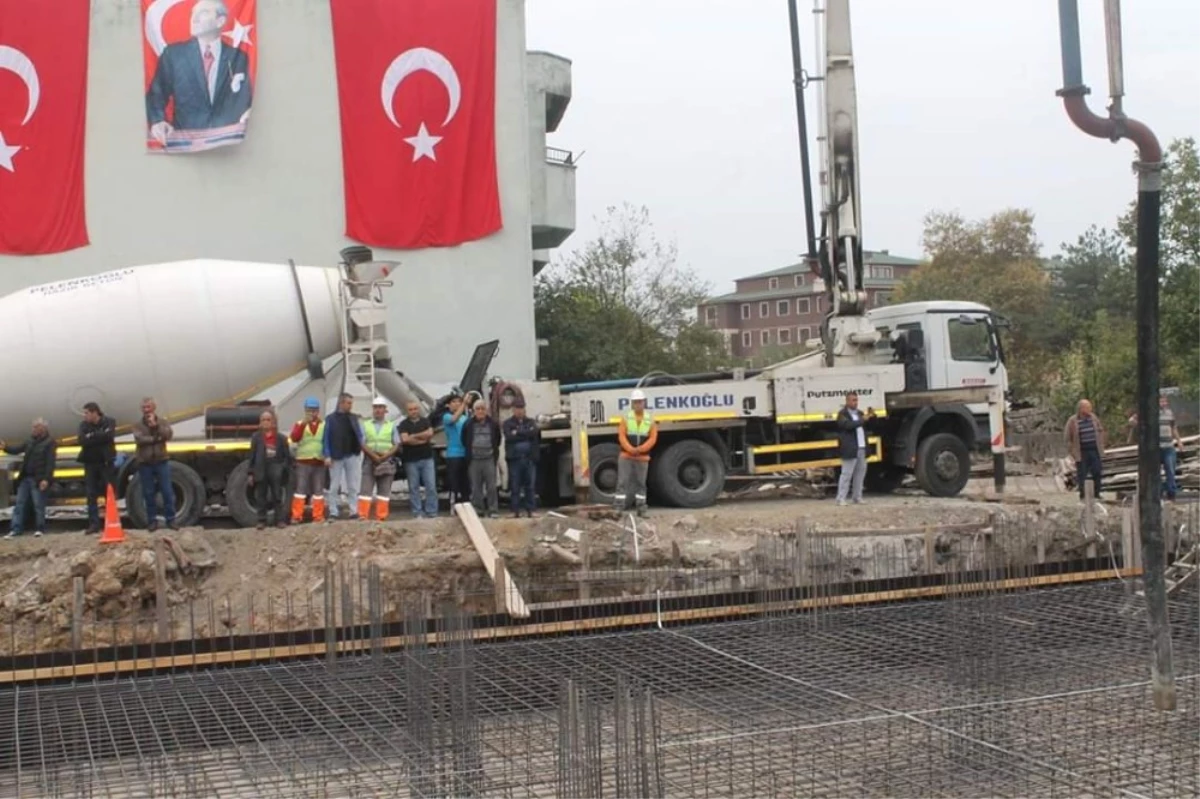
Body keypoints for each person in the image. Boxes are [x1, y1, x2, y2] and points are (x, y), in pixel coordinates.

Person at [145, 0, 253, 146]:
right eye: (192, 14)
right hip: (185, 144)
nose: (194, 19)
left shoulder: (238, 57)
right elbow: (156, 95)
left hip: (227, 145)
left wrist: (248, 113)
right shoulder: (174, 55)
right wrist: (157, 121)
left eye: (203, 13)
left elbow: (244, 97)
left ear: (220, 21)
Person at [2, 418, 56, 539]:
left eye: (36, 427)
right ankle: (15, 529)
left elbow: (50, 463)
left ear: (43, 428)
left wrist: (46, 479)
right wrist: (6, 447)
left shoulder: (50, 442)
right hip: (25, 477)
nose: (33, 429)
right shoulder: (30, 441)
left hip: (38, 478)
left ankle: (39, 528)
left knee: (38, 504)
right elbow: (17, 450)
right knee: (19, 504)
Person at [1128, 395, 1184, 501]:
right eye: (1161, 401)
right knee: (1155, 472)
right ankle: (1157, 493)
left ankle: (1171, 494)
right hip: (1155, 448)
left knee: (1170, 471)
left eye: (1165, 401)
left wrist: (1179, 441)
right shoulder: (1150, 413)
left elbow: (1174, 428)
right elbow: (1132, 421)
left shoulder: (1169, 413)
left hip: (1168, 447)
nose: (1163, 403)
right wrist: (1137, 420)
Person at [132, 397, 177, 531]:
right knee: (148, 492)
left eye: (148, 407)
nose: (146, 410)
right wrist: (156, 438)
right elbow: (139, 439)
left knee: (167, 491)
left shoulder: (162, 422)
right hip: (145, 463)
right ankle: (152, 521)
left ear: (154, 408)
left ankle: (171, 520)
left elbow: (168, 435)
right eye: (144, 407)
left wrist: (156, 426)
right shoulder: (137, 425)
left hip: (161, 460)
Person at [616, 389, 658, 517]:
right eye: (635, 402)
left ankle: (641, 509)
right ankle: (618, 508)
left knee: (641, 484)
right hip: (626, 456)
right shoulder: (626, 418)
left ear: (644, 402)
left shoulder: (649, 419)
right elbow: (621, 436)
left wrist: (641, 449)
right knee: (622, 482)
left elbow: (653, 437)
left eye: (640, 402)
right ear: (632, 404)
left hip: (642, 457)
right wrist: (630, 449)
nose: (638, 404)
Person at [247, 409, 292, 529]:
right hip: (261, 469)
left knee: (277, 496)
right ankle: (261, 521)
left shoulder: (281, 438)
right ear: (260, 423)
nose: (266, 422)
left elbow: (287, 457)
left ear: (273, 422)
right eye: (263, 420)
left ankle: (280, 521)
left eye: (268, 420)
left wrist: (282, 468)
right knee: (261, 496)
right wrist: (250, 473)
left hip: (275, 468)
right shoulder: (256, 438)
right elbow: (252, 456)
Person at [322, 393, 364, 521]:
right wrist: (327, 455)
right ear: (341, 403)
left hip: (352, 454)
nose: (351, 406)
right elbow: (326, 438)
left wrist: (359, 448)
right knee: (334, 485)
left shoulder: (353, 418)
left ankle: (353, 511)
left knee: (353, 485)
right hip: (336, 456)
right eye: (349, 403)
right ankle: (333, 511)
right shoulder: (330, 419)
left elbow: (359, 434)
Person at [77, 402, 116, 534]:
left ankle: (110, 521)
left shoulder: (109, 421)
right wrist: (98, 435)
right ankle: (94, 524)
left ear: (95, 413)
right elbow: (82, 440)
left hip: (105, 462)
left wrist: (92, 435)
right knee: (91, 494)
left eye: (86, 413)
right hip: (90, 463)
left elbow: (109, 436)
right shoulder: (83, 425)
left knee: (108, 492)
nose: (84, 416)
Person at [360, 397, 400, 521]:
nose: (378, 410)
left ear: (385, 410)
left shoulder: (391, 426)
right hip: (369, 460)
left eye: (380, 408)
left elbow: (397, 444)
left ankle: (381, 516)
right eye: (376, 408)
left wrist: (385, 456)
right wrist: (374, 456)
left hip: (386, 460)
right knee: (366, 490)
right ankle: (363, 515)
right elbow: (362, 443)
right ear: (373, 409)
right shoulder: (366, 425)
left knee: (384, 491)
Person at [289, 397, 327, 523]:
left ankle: (318, 516)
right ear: (305, 410)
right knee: (301, 490)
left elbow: (327, 442)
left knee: (318, 491)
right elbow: (294, 438)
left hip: (319, 461)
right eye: (310, 410)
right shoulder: (299, 424)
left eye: (314, 410)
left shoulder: (324, 425)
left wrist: (327, 456)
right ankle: (296, 515)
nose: (312, 413)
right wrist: (304, 424)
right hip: (303, 461)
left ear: (318, 411)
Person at [462, 399, 502, 518]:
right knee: (476, 487)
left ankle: (493, 510)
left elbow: (497, 439)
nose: (480, 411)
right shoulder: (468, 424)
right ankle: (478, 510)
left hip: (489, 459)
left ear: (486, 410)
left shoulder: (493, 424)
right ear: (474, 411)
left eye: (482, 409)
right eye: (477, 409)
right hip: (474, 460)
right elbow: (464, 440)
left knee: (491, 487)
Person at [399, 400, 438, 518]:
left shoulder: (425, 421)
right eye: (411, 409)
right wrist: (422, 439)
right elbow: (405, 440)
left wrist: (414, 436)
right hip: (410, 460)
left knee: (431, 486)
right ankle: (417, 512)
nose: (414, 411)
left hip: (427, 458)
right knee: (413, 487)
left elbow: (430, 433)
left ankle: (432, 511)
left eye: (415, 409)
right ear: (407, 411)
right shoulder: (403, 424)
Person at [835, 392, 874, 506]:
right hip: (850, 449)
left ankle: (857, 497)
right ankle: (841, 498)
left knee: (860, 474)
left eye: (856, 400)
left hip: (861, 447)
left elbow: (868, 426)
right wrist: (863, 420)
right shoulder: (842, 415)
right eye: (853, 400)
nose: (855, 402)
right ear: (847, 402)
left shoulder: (860, 414)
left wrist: (872, 417)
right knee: (846, 474)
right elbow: (848, 426)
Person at [503, 399, 540, 517]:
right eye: (517, 409)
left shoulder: (531, 422)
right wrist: (525, 433)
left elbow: (534, 433)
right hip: (515, 459)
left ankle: (531, 510)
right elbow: (509, 437)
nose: (519, 411)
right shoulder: (507, 423)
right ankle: (515, 511)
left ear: (525, 409)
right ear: (513, 410)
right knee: (515, 486)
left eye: (521, 409)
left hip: (529, 459)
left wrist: (517, 432)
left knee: (530, 486)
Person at [1065, 398, 1106, 501]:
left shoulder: (1094, 418)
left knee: (1097, 471)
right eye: (1087, 407)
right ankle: (1083, 495)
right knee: (1082, 474)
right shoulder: (1073, 421)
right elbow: (1067, 437)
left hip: (1094, 450)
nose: (1089, 409)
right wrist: (1072, 452)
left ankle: (1097, 494)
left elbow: (1100, 430)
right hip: (1081, 451)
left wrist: (1101, 443)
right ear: (1081, 408)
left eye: (1090, 407)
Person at [441, 393, 472, 506]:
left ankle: (467, 503)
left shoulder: (465, 418)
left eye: (458, 401)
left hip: (465, 454)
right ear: (448, 405)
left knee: (466, 482)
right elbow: (454, 419)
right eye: (453, 402)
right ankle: (453, 504)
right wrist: (464, 404)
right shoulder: (446, 417)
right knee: (454, 482)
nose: (457, 404)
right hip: (453, 455)